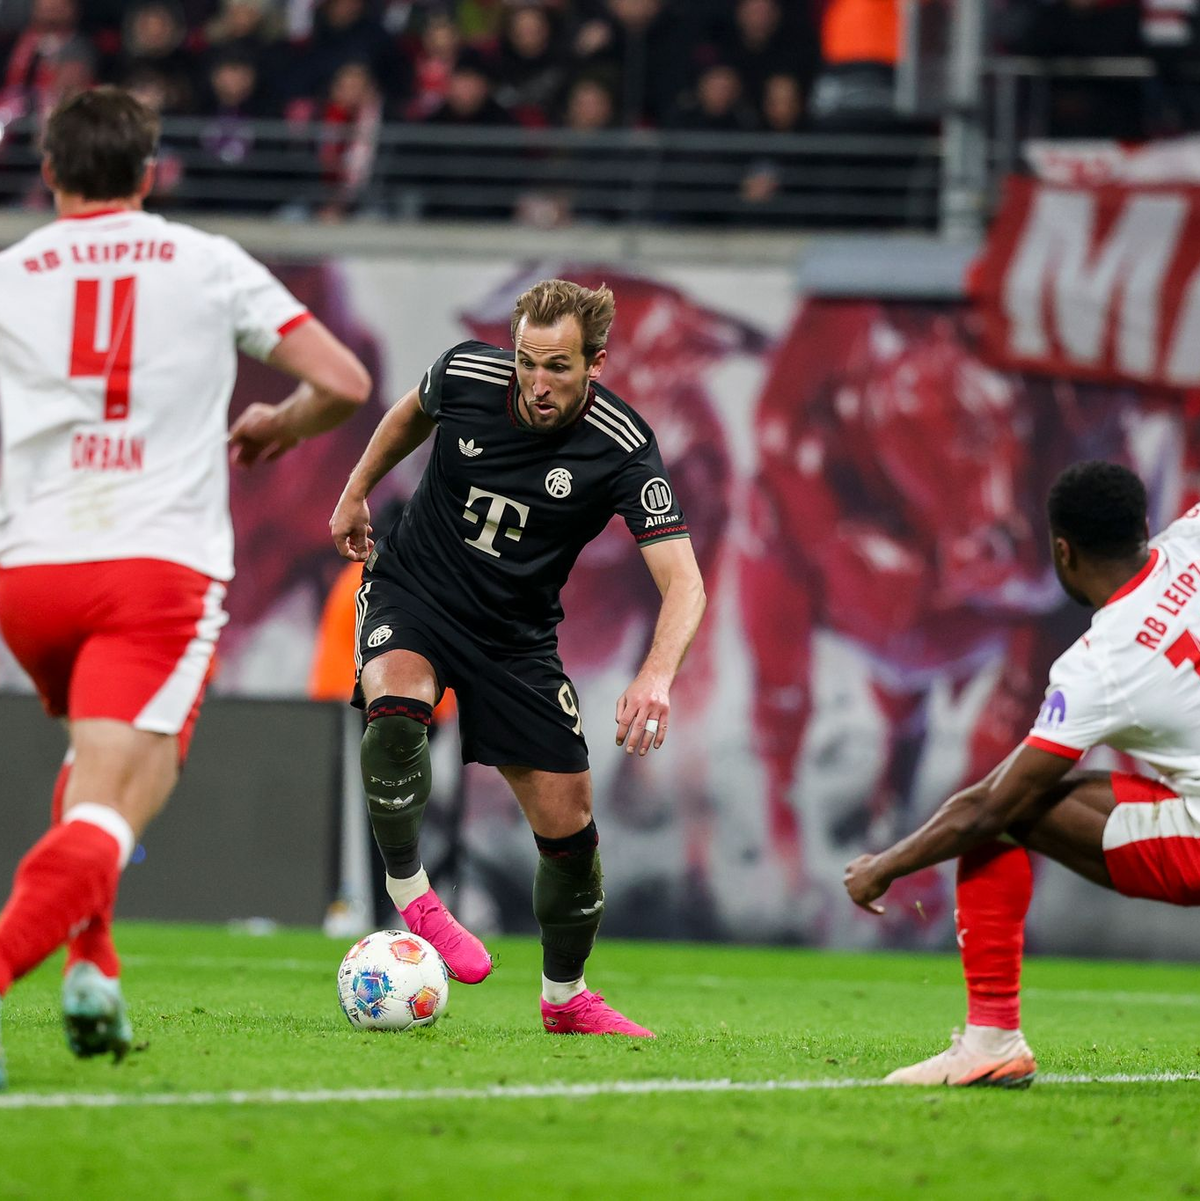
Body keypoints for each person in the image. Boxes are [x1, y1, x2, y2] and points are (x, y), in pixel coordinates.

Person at [0, 86, 372, 1088]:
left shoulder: (11, 272)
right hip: (152, 569)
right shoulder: (202, 261)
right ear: (149, 172)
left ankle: (92, 971)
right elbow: (339, 377)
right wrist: (282, 425)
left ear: (50, 175)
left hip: (29, 573)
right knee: (127, 796)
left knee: (94, 773)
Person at [329, 278, 706, 1037]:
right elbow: (411, 412)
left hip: (515, 636)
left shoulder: (622, 444)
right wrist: (356, 491)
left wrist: (657, 672)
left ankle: (565, 997)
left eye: (558, 368)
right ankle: (418, 899)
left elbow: (684, 580)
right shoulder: (469, 373)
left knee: (571, 830)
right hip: (417, 592)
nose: (536, 383)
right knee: (397, 711)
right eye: (527, 362)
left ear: (594, 363)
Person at [844, 461, 1200, 1086]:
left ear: (1063, 551)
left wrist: (884, 867)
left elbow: (987, 807)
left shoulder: (1099, 665)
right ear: (1144, 525)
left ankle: (991, 1041)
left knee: (1004, 815)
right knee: (1035, 799)